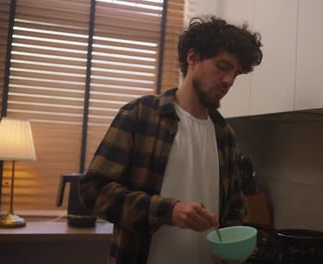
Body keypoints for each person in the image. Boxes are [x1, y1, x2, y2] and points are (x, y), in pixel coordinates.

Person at [79, 15, 263, 264]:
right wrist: (169, 210)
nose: (229, 81)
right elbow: (94, 191)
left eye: (236, 73)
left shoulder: (225, 135)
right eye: (222, 66)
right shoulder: (140, 115)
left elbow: (233, 210)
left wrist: (232, 248)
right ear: (193, 57)